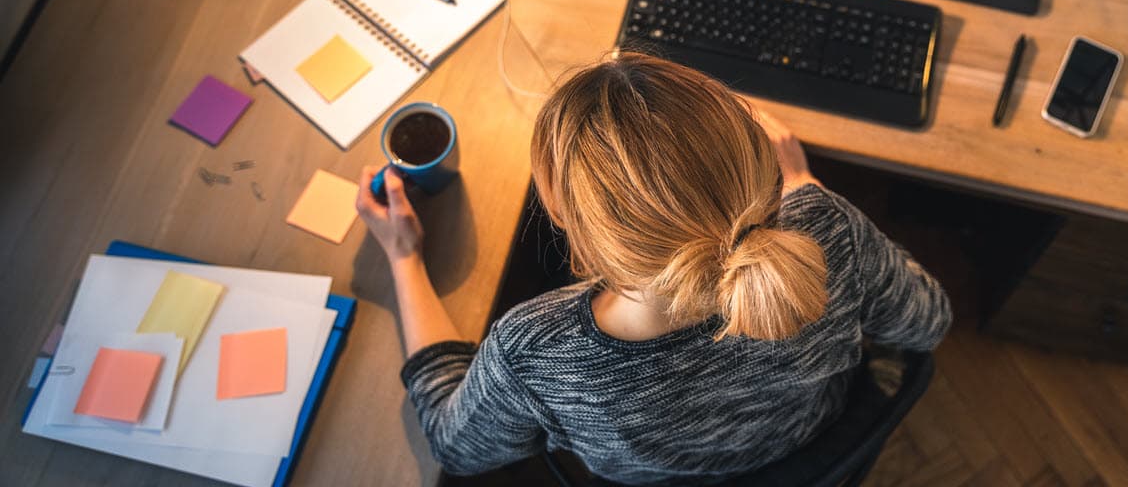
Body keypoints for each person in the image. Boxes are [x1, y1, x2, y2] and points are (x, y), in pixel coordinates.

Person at [357, 51, 951, 484]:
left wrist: (405, 258)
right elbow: (927, 323)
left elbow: (457, 447)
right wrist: (805, 187)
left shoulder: (538, 353)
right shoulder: (826, 229)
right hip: (811, 445)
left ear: (561, 213)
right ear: (756, 160)